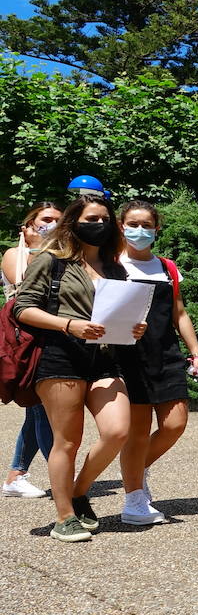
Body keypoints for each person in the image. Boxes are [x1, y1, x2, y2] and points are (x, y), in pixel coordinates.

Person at [13, 195, 146, 542]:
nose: (99, 224)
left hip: (103, 359)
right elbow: (22, 309)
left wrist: (134, 327)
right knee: (67, 441)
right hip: (59, 357)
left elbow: (117, 314)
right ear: (73, 222)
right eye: (91, 218)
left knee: (117, 431)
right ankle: (64, 517)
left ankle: (76, 491)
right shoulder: (52, 261)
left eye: (104, 219)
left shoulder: (115, 267)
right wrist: (69, 325)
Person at [115, 200, 198, 525]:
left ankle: (135, 470)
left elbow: (179, 313)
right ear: (121, 226)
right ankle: (134, 501)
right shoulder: (112, 266)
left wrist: (195, 353)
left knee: (174, 424)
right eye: (133, 224)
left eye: (146, 225)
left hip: (166, 354)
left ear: (157, 229)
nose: (139, 231)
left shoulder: (167, 267)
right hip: (129, 357)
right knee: (137, 433)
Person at [3, 201, 62, 498]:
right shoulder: (16, 253)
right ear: (27, 226)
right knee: (42, 410)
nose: (51, 225)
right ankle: (63, 477)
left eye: (58, 221)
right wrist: (39, 247)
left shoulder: (62, 255)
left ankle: (16, 475)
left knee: (36, 411)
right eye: (46, 219)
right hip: (27, 342)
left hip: (53, 339)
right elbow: (23, 286)